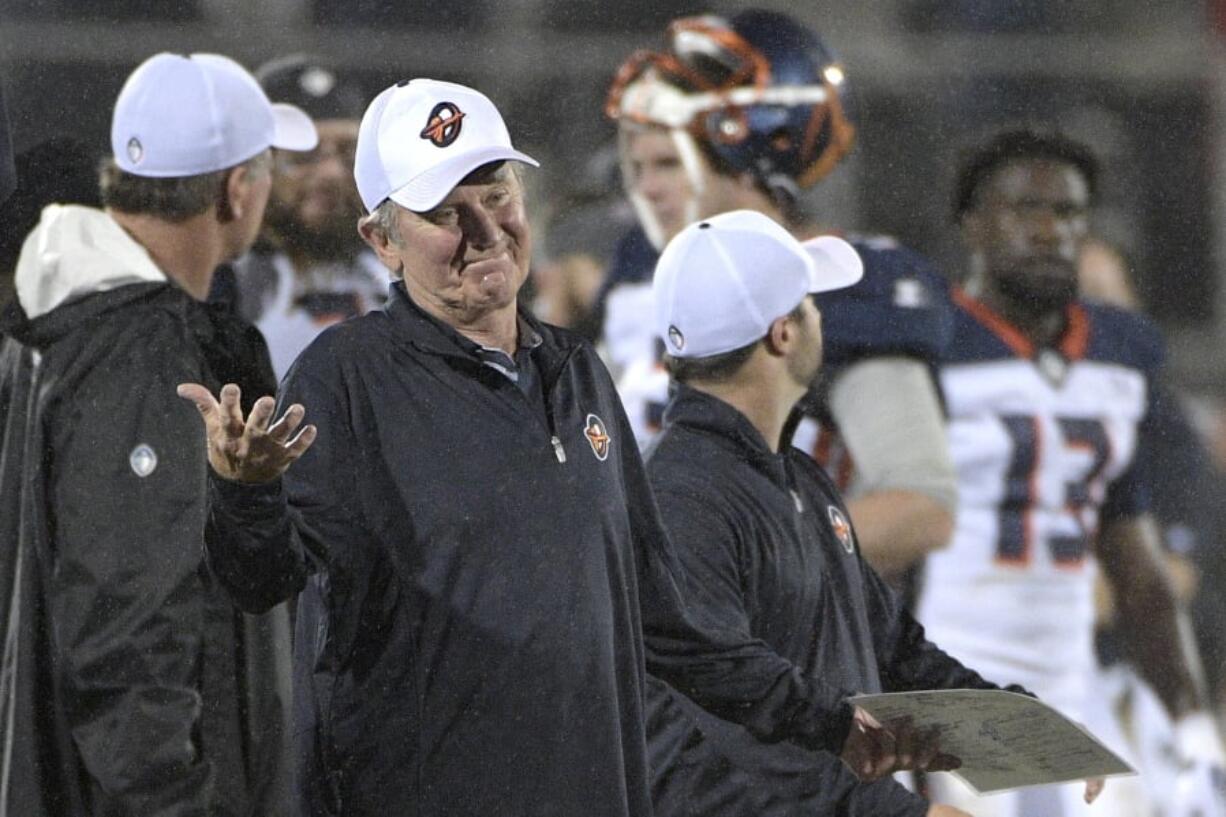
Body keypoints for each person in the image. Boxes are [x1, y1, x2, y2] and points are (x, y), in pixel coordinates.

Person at [178, 77, 918, 817]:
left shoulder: (575, 372)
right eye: (443, 212)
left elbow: (668, 621)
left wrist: (826, 721)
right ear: (383, 242)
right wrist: (245, 491)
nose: (485, 229)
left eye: (495, 192)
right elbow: (262, 580)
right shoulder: (346, 379)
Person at [0, 52, 317, 815]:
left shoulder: (62, 325)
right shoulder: (138, 352)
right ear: (237, 190)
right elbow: (124, 633)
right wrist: (174, 801)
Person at [916, 128, 1226, 816]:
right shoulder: (928, 341)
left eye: (1067, 213)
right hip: (954, 676)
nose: (1050, 230)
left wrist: (1192, 721)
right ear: (972, 222)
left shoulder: (1118, 352)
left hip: (1072, 679)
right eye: (1025, 210)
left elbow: (1136, 562)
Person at [604, 9, 957, 580]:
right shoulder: (636, 267)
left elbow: (920, 506)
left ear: (749, 162)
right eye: (638, 164)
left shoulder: (846, 283)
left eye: (668, 163)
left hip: (769, 639)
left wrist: (741, 565)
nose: (646, 187)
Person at [223, 55, 387, 379]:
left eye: (348, 153)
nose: (330, 173)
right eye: (303, 156)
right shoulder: (222, 286)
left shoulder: (409, 273)